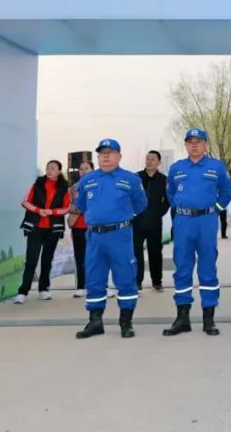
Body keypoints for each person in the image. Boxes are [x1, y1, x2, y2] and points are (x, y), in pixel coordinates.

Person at [163, 128, 231, 337]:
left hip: (206, 221)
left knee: (207, 268)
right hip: (183, 222)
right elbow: (171, 193)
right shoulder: (177, 168)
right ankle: (182, 318)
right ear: (186, 145)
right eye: (190, 142)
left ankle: (208, 319)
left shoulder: (216, 167)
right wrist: (182, 208)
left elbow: (226, 192)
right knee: (182, 268)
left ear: (205, 145)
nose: (194, 145)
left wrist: (215, 210)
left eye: (198, 141)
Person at [74, 139, 147, 340]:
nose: (105, 156)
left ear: (119, 156)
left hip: (119, 236)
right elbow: (81, 205)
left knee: (125, 277)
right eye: (102, 153)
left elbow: (140, 204)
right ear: (98, 157)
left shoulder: (131, 180)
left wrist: (120, 216)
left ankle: (126, 322)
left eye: (110, 152)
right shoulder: (87, 180)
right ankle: (95, 322)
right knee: (94, 278)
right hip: (95, 237)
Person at [14, 160, 71, 303]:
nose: (49, 170)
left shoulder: (64, 187)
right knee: (31, 260)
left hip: (53, 229)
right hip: (35, 227)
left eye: (53, 168)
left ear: (59, 171)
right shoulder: (37, 183)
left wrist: (51, 212)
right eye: (48, 168)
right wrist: (38, 210)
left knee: (47, 260)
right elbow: (25, 201)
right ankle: (23, 291)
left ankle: (44, 289)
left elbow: (66, 208)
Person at [135, 150, 171, 292]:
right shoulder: (136, 178)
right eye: (147, 159)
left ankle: (157, 282)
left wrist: (158, 213)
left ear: (159, 162)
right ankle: (137, 282)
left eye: (152, 159)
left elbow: (167, 201)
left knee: (155, 253)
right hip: (137, 223)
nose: (149, 161)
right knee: (136, 253)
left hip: (154, 223)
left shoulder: (164, 180)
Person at [67, 159, 94, 298]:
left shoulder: (98, 185)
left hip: (94, 227)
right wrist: (82, 208)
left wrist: (83, 207)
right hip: (78, 226)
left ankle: (99, 286)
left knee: (96, 258)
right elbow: (68, 206)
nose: (83, 171)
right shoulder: (74, 188)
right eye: (81, 169)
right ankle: (80, 286)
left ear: (92, 170)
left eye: (86, 168)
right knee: (80, 257)